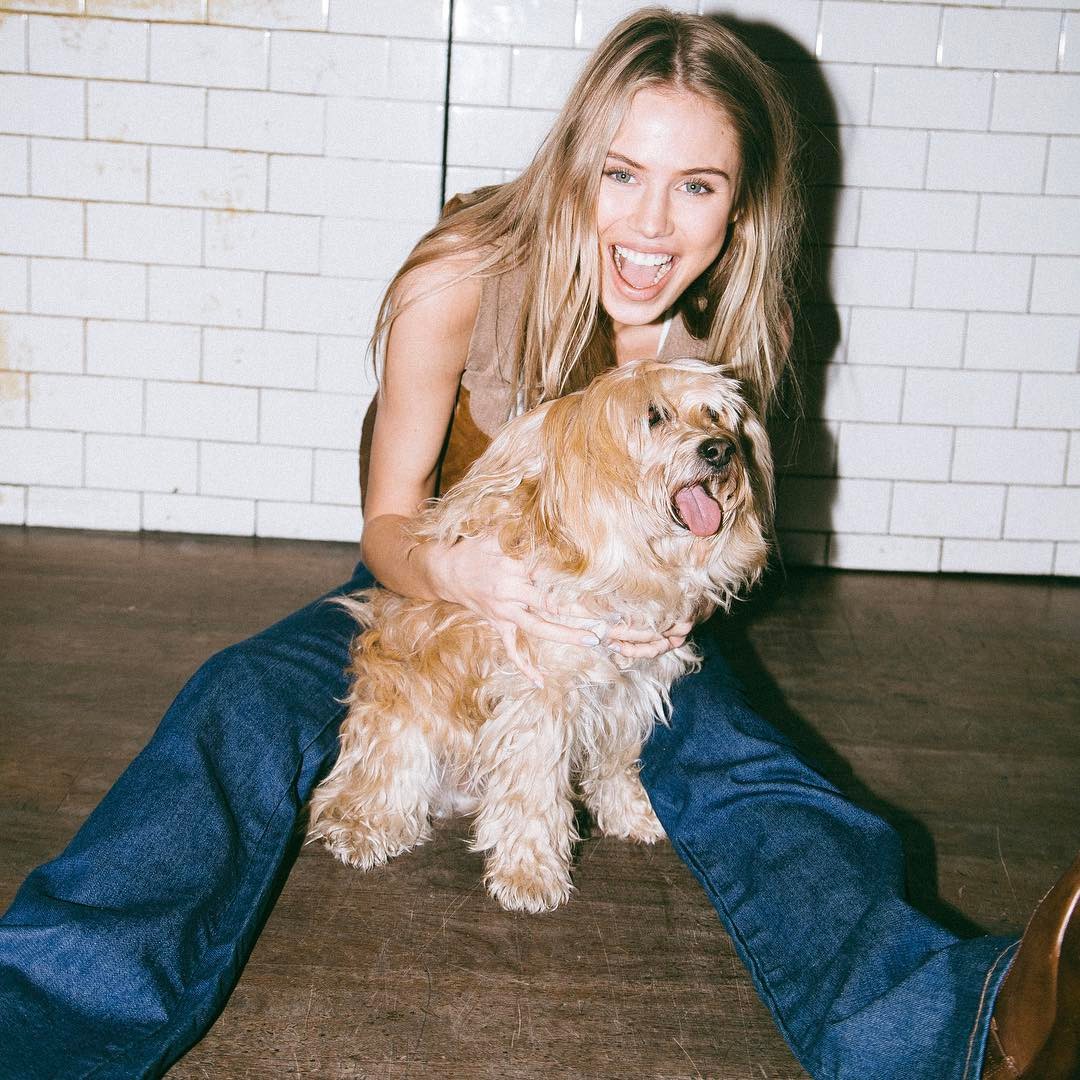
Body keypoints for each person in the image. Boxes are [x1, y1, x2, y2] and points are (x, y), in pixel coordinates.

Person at [1, 9, 1076, 1080]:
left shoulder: (743, 324)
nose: (651, 225)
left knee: (745, 763)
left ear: (739, 204)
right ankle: (37, 1026)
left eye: (697, 186)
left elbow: (720, 535)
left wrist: (668, 617)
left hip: (630, 611)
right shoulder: (460, 274)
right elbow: (388, 523)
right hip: (439, 578)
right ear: (573, 165)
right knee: (236, 699)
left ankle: (960, 1035)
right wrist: (461, 574)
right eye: (622, 173)